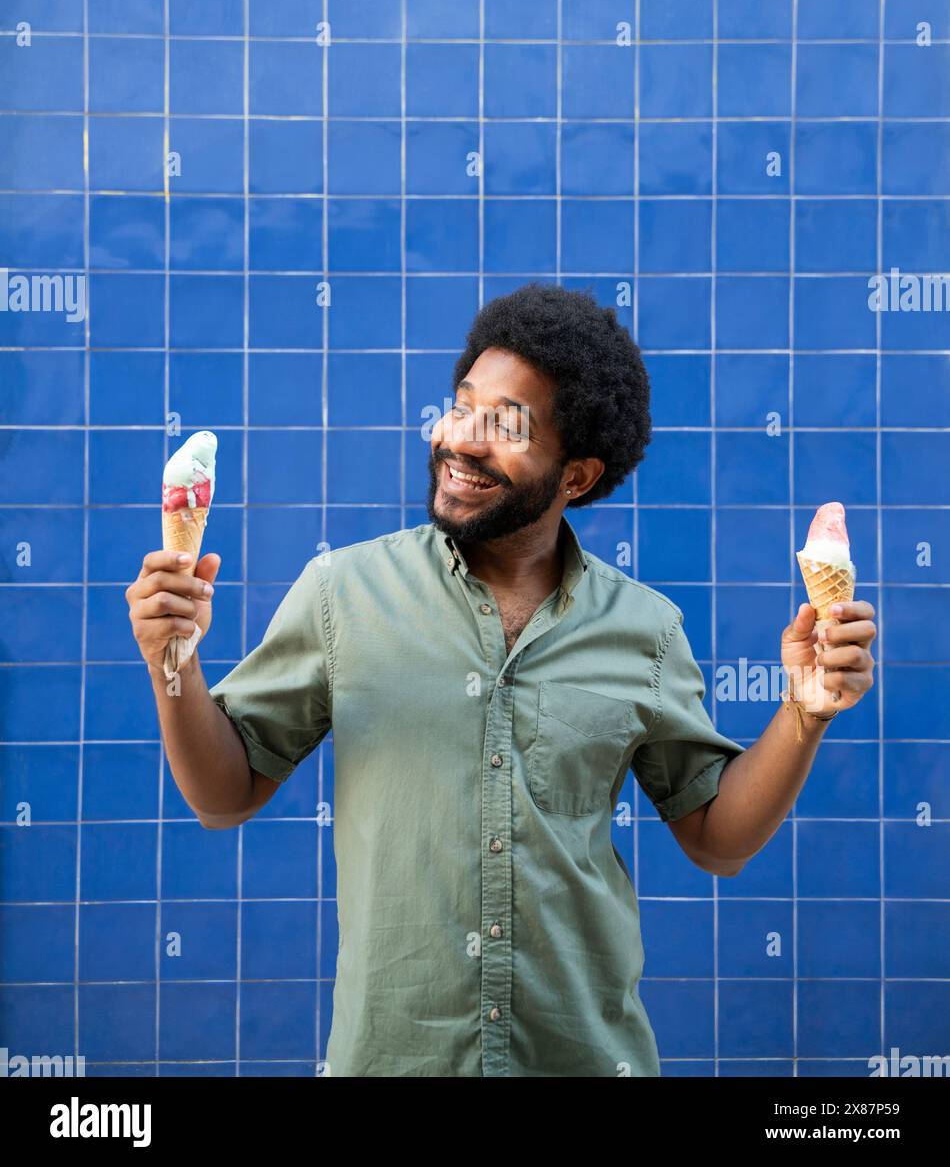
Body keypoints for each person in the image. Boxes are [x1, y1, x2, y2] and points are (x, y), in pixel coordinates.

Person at [127, 283, 876, 1077]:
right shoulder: (340, 593)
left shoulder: (646, 631)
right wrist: (172, 663)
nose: (461, 440)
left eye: (507, 425)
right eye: (461, 407)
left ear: (577, 477)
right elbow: (223, 794)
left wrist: (805, 711)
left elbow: (717, 841)